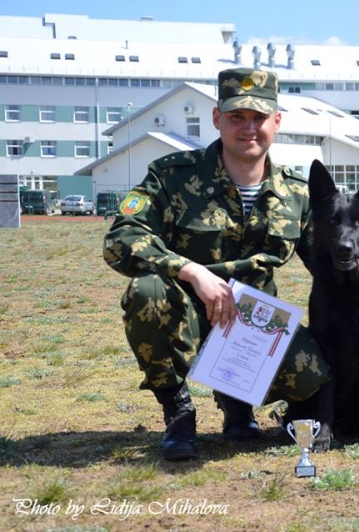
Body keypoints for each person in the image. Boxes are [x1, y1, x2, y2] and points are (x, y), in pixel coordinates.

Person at [103, 67, 330, 461]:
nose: (249, 129)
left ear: (277, 121)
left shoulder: (298, 194)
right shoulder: (171, 176)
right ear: (217, 119)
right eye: (236, 117)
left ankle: (237, 402)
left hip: (254, 325)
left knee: (311, 374)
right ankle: (179, 413)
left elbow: (329, 267)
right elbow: (120, 238)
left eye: (259, 118)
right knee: (147, 293)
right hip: (186, 308)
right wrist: (190, 270)